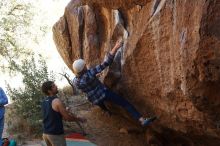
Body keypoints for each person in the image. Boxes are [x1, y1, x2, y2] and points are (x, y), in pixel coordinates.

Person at [72, 40, 156, 126]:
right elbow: (106, 63)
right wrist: (116, 47)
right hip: (104, 94)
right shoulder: (89, 74)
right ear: (83, 68)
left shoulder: (75, 81)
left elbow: (86, 83)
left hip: (94, 100)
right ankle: (142, 120)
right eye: (84, 66)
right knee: (125, 103)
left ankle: (107, 111)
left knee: (102, 104)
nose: (86, 66)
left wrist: (94, 78)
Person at [41, 81, 86, 146]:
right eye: (53, 86)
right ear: (49, 91)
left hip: (45, 134)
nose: (56, 86)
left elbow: (51, 115)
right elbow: (67, 118)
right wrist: (79, 119)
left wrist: (64, 110)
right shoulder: (56, 101)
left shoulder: (44, 102)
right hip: (55, 135)